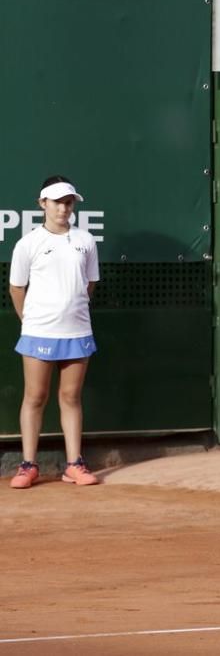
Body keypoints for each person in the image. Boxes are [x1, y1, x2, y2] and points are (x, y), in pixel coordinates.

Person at [7, 176, 100, 488]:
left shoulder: (86, 241)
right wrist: (29, 321)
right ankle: (28, 466)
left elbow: (89, 284)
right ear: (42, 204)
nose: (64, 207)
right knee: (35, 396)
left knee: (71, 396)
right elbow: (16, 288)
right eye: (58, 201)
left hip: (77, 331)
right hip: (38, 332)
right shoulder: (28, 244)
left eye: (69, 201)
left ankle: (74, 464)